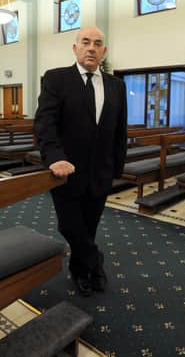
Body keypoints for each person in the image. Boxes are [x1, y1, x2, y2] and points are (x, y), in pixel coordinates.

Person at [34, 26, 127, 296]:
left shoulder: (116, 85)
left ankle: (80, 271)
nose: (91, 48)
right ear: (75, 48)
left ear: (104, 51)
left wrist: (116, 167)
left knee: (88, 226)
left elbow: (120, 130)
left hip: (101, 171)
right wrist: (54, 157)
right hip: (65, 171)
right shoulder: (56, 79)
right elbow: (45, 123)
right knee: (69, 225)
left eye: (97, 44)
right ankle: (95, 260)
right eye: (85, 42)